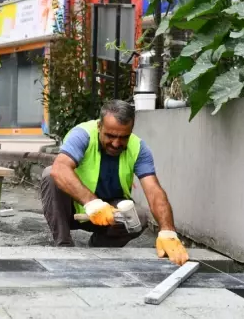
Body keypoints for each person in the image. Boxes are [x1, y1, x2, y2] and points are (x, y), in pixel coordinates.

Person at [40, 100, 189, 266]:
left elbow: (154, 191)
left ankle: (98, 250)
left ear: (131, 131)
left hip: (109, 216)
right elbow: (59, 169)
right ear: (99, 126)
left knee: (138, 218)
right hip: (72, 210)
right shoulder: (83, 135)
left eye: (123, 137)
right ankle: (64, 247)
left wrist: (168, 231)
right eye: (110, 136)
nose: (116, 143)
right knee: (50, 175)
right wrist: (92, 203)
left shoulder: (139, 148)